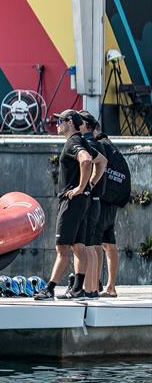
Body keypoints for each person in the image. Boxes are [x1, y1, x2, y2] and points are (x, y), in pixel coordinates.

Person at [34, 109, 93, 301]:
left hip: (72, 201)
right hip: (82, 201)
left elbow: (87, 160)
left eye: (60, 121)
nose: (57, 124)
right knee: (78, 247)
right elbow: (101, 161)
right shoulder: (83, 140)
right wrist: (88, 186)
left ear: (70, 122)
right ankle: (77, 289)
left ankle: (49, 288)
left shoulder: (73, 142)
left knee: (62, 248)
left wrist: (80, 187)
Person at [76, 110, 107, 298]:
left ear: (84, 125)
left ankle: (88, 288)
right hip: (97, 200)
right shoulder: (98, 144)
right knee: (93, 246)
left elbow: (95, 163)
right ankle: (93, 288)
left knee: (87, 246)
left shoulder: (87, 144)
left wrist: (86, 185)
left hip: (90, 199)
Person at [92, 119, 122, 297]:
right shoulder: (111, 145)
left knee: (96, 241)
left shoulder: (100, 145)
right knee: (109, 244)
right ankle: (111, 286)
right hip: (113, 200)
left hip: (103, 200)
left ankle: (95, 284)